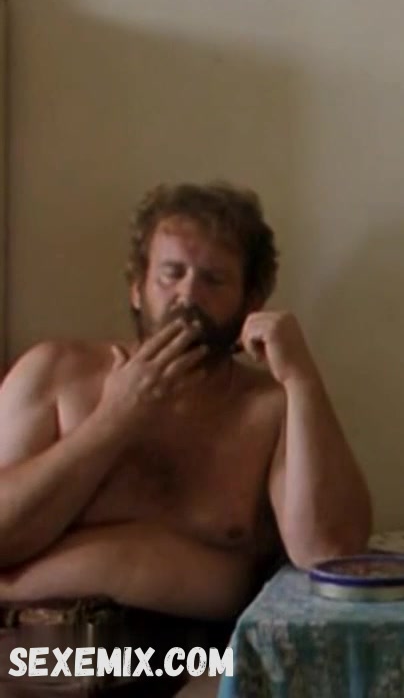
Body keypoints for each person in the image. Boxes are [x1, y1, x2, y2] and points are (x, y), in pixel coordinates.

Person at [0, 181, 373, 696]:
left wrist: (302, 378)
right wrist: (115, 420)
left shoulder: (269, 408)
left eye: (214, 279)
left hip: (191, 660)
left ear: (251, 301)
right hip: (34, 654)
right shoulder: (55, 372)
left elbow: (330, 552)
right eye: (171, 274)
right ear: (137, 287)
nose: (188, 296)